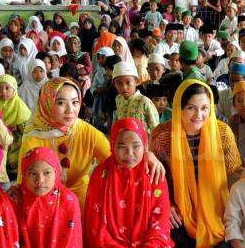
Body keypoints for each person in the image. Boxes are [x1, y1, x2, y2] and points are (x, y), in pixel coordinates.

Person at [17, 78, 165, 209]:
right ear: (47, 103)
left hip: (80, 196)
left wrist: (146, 155)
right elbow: (24, 183)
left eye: (75, 102)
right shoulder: (33, 138)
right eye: (61, 102)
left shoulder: (86, 131)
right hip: (42, 198)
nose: (70, 110)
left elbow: (115, 158)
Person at [85, 118, 179, 248]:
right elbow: (95, 225)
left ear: (145, 146)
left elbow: (160, 220)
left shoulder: (154, 173)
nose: (129, 153)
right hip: (111, 247)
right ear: (112, 144)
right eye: (121, 146)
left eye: (136, 146)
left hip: (146, 244)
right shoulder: (100, 175)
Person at [150, 80, 241, 248]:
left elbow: (235, 173)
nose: (199, 115)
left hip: (217, 209)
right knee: (170, 240)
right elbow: (155, 177)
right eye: (191, 108)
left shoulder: (223, 133)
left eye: (205, 108)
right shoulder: (163, 135)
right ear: (179, 107)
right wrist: (167, 203)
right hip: (181, 209)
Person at [0, 75, 31, 171]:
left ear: (14, 90)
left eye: (7, 88)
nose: (3, 91)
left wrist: (18, 126)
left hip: (17, 138)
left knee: (14, 159)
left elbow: (29, 124)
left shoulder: (19, 104)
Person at [112, 61, 160, 132]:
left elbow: (155, 129)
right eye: (119, 83)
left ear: (136, 82)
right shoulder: (118, 99)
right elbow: (117, 121)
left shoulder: (145, 101)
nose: (124, 87)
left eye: (128, 82)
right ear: (114, 84)